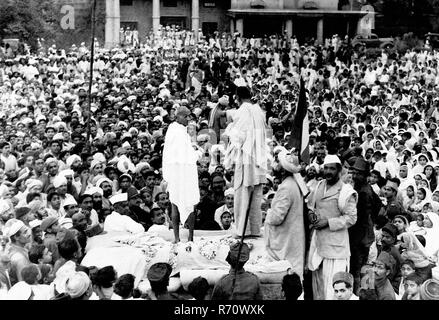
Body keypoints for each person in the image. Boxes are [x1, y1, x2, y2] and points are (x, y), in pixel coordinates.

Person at [307, 154, 358, 300]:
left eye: (332, 169)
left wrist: (328, 222)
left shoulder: (346, 191)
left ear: (339, 170)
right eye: (326, 168)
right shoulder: (318, 186)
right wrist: (311, 215)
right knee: (318, 287)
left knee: (335, 289)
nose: (328, 172)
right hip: (319, 244)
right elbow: (310, 206)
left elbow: (351, 218)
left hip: (336, 248)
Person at [224, 84, 268, 238]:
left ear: (237, 98)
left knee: (243, 193)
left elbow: (239, 137)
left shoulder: (242, 111)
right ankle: (254, 230)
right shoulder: (259, 111)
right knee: (256, 195)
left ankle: (243, 230)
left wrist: (229, 131)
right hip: (258, 159)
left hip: (246, 158)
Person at [264, 149, 307, 280]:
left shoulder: (286, 187)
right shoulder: (294, 183)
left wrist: (268, 211)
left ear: (282, 170)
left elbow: (276, 218)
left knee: (289, 275)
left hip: (286, 240)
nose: (274, 165)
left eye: (277, 162)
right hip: (293, 236)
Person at [162, 106, 200, 243]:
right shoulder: (174, 131)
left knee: (191, 202)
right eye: (186, 117)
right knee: (175, 203)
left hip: (187, 171)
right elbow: (179, 154)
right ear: (178, 117)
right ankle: (177, 237)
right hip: (177, 171)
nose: (188, 120)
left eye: (189, 117)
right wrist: (196, 153)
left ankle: (190, 236)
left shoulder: (181, 131)